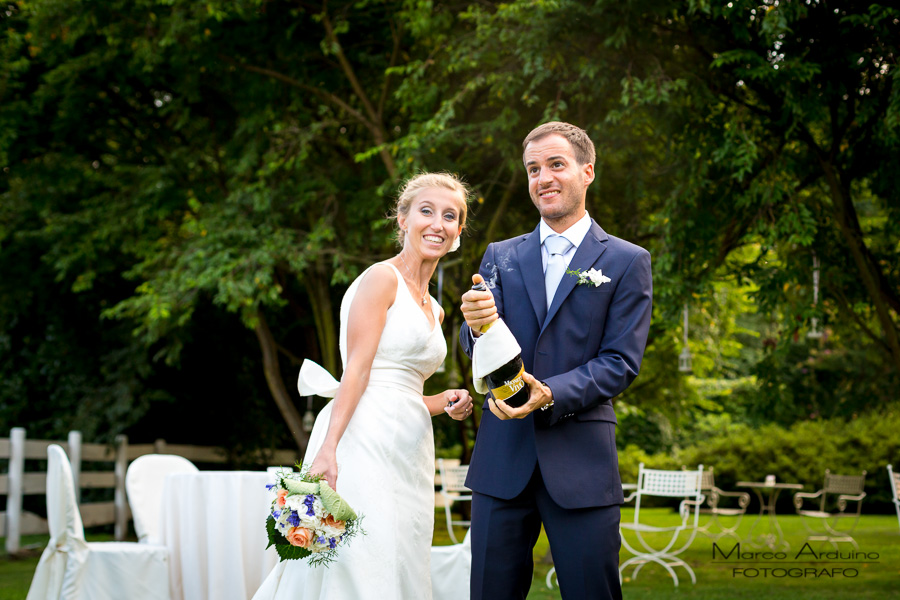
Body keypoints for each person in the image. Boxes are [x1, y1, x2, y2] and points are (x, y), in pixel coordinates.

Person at [252, 172, 475, 600]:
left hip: (410, 452)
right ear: (402, 219)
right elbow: (356, 372)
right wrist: (328, 450)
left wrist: (442, 400)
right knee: (359, 557)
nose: (437, 223)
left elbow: (401, 394)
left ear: (458, 232)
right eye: (425, 211)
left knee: (401, 554)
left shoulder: (438, 310)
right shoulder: (381, 279)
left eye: (450, 216)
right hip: (361, 441)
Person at [459, 122, 652, 600]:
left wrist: (551, 393)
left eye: (555, 165)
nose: (542, 177)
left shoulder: (627, 260)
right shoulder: (500, 256)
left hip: (581, 463)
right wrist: (474, 324)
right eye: (532, 169)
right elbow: (477, 343)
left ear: (587, 172)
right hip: (502, 458)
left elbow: (620, 361)